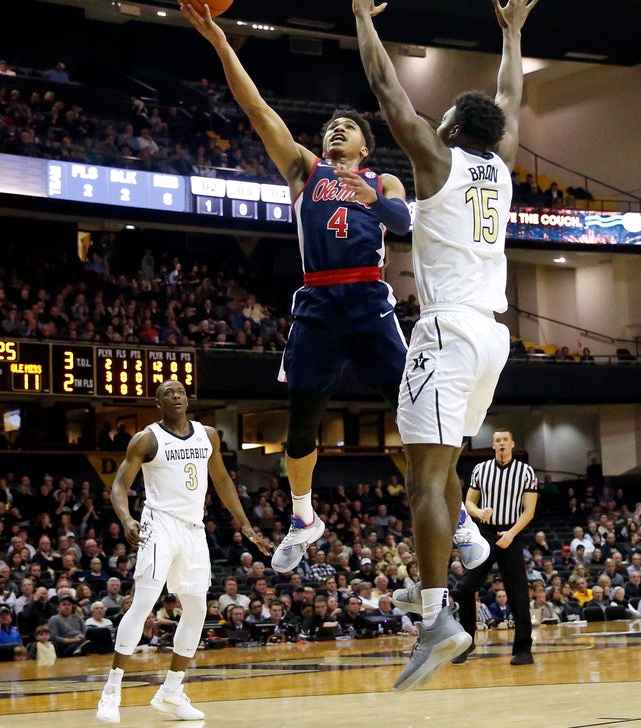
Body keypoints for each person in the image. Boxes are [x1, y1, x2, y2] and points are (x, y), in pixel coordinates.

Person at [182, 0, 411, 576]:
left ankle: (455, 517)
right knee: (301, 421)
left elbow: (405, 225)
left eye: (349, 127)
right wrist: (218, 39)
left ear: (364, 146)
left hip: (367, 296)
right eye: (331, 126)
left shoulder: (381, 178)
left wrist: (373, 199)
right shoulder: (305, 171)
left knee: (412, 415)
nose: (337, 129)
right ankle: (305, 517)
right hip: (316, 299)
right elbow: (255, 107)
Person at [353, 0, 536, 692]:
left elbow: (387, 92)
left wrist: (362, 18)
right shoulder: (505, 165)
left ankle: (437, 615)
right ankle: (455, 555)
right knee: (441, 463)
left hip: (447, 329)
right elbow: (512, 99)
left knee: (421, 475)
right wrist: (513, 34)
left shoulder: (438, 158)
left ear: (454, 127)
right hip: (492, 335)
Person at [95, 379, 272, 724]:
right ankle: (111, 692)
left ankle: (171, 692)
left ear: (187, 399)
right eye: (167, 394)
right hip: (159, 524)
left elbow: (222, 481)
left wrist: (246, 525)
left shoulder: (208, 435)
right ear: (158, 404)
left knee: (197, 610)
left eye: (180, 392)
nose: (175, 396)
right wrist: (128, 519)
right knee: (144, 602)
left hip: (193, 529)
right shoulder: (146, 439)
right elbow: (119, 486)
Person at [446, 429, 540, 665]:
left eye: (504, 441)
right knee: (465, 587)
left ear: (512, 444)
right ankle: (467, 643)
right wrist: (479, 512)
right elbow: (469, 501)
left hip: (513, 533)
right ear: (493, 445)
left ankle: (523, 649)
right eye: (497, 441)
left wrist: (511, 533)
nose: (500, 444)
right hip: (485, 533)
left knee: (517, 594)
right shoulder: (481, 469)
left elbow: (529, 511)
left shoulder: (526, 471)